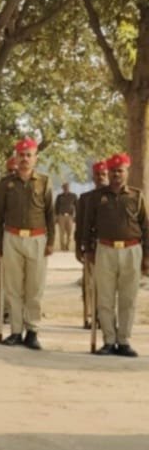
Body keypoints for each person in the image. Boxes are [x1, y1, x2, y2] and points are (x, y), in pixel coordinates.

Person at [80, 153, 149, 357]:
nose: (116, 174)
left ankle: (124, 341)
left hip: (131, 250)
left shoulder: (136, 196)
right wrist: (88, 250)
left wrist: (146, 256)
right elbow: (88, 225)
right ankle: (109, 341)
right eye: (113, 171)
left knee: (128, 298)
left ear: (127, 172)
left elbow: (146, 227)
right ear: (108, 173)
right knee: (105, 297)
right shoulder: (96, 198)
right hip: (105, 250)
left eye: (120, 171)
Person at [0, 137, 55, 350]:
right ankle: (16, 331)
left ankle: (32, 331)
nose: (25, 159)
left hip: (37, 238)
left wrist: (51, 241)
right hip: (12, 238)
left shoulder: (44, 182)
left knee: (34, 287)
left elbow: (50, 214)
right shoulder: (5, 183)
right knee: (13, 287)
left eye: (29, 155)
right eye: (21, 155)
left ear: (35, 158)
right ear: (15, 158)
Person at [75, 160, 109, 329]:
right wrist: (78, 248)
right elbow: (80, 224)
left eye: (104, 174)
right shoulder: (85, 198)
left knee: (108, 285)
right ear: (93, 177)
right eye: (98, 175)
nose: (101, 178)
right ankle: (91, 315)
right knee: (90, 284)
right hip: (91, 248)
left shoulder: (114, 197)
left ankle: (106, 316)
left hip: (109, 248)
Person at [55, 182, 78, 252]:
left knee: (69, 233)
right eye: (64, 187)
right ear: (62, 188)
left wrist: (76, 217)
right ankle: (62, 247)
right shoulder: (59, 196)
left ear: (69, 188)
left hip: (70, 216)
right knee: (61, 233)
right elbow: (56, 206)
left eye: (67, 187)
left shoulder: (73, 196)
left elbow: (77, 206)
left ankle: (67, 247)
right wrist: (56, 217)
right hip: (61, 216)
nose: (66, 188)